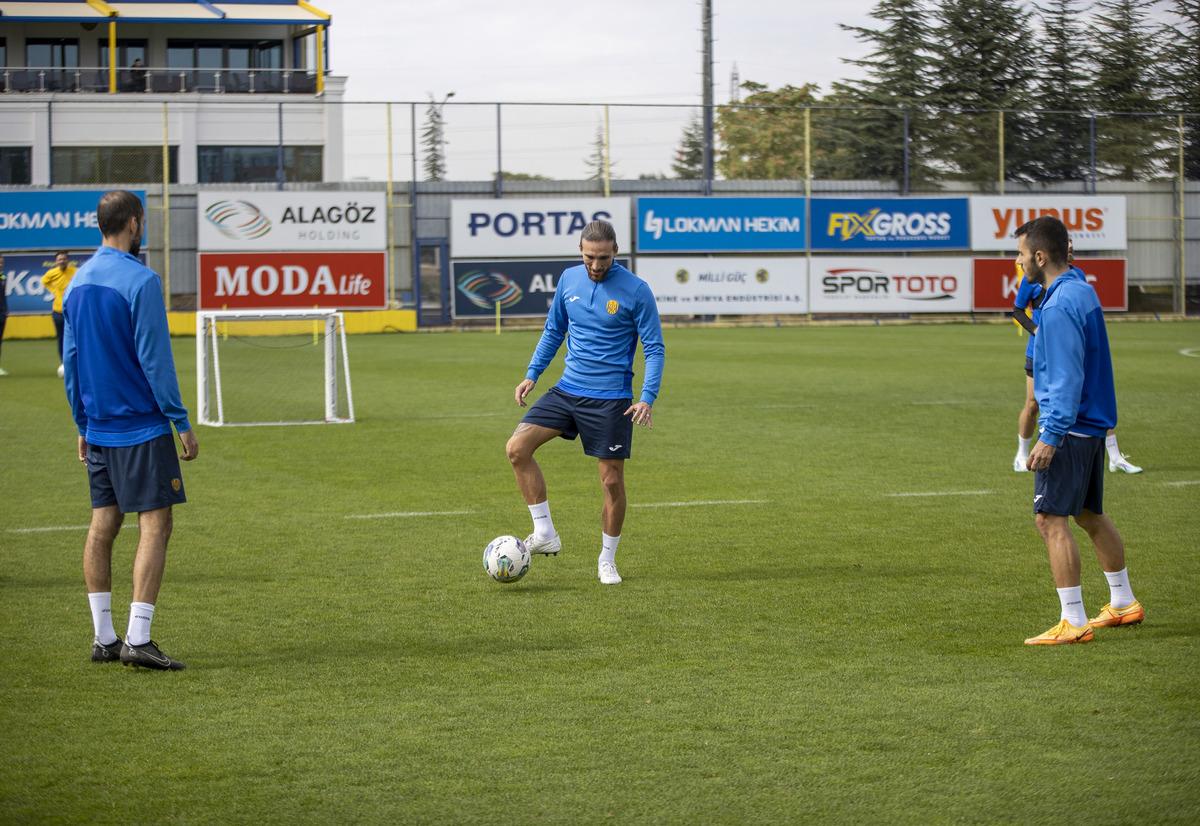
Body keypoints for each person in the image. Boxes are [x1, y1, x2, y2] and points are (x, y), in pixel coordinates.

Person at [63, 190, 198, 669]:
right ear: (135, 224)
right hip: (140, 428)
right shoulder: (141, 281)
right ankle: (138, 638)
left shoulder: (76, 283)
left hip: (99, 427)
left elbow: (72, 361)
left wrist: (82, 421)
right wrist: (180, 420)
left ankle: (104, 637)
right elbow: (155, 360)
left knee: (103, 526)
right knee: (156, 524)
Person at [507, 220, 664, 585]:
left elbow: (654, 348)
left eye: (604, 258)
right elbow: (554, 330)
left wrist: (647, 397)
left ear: (615, 254)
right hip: (567, 391)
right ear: (581, 252)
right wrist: (532, 373)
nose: (596, 265)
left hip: (611, 400)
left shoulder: (637, 290)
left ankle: (607, 559)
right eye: (590, 258)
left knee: (611, 482)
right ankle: (544, 533)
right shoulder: (568, 279)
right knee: (517, 448)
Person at [1016, 216, 1143, 646]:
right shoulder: (1081, 290)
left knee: (1049, 518)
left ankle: (1073, 620)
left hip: (1069, 428)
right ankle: (1123, 602)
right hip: (1091, 427)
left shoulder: (1056, 307)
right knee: (1089, 514)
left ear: (1039, 255)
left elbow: (1066, 377)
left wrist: (1050, 436)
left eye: (1020, 255)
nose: (1018, 263)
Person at [1011, 241, 1142, 474]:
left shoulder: (1077, 278)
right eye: (1067, 248)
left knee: (1088, 395)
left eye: (1072, 249)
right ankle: (1021, 454)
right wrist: (1038, 330)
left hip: (1067, 348)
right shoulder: (1030, 282)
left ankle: (1114, 456)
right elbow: (1017, 310)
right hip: (1038, 352)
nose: (1070, 252)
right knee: (1033, 404)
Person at [41, 250, 76, 377]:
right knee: (61, 338)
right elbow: (44, 281)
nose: (62, 261)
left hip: (73, 311)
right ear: (56, 262)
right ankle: (63, 363)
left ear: (68, 260)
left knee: (76, 338)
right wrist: (54, 290)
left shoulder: (75, 272)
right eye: (59, 259)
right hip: (58, 311)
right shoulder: (51, 273)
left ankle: (76, 362)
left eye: (64, 259)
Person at [0, 254, 9, 376]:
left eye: (1, 262)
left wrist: (6, 309)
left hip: (2, 313)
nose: (0, 264)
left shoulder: (3, 277)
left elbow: (3, 297)